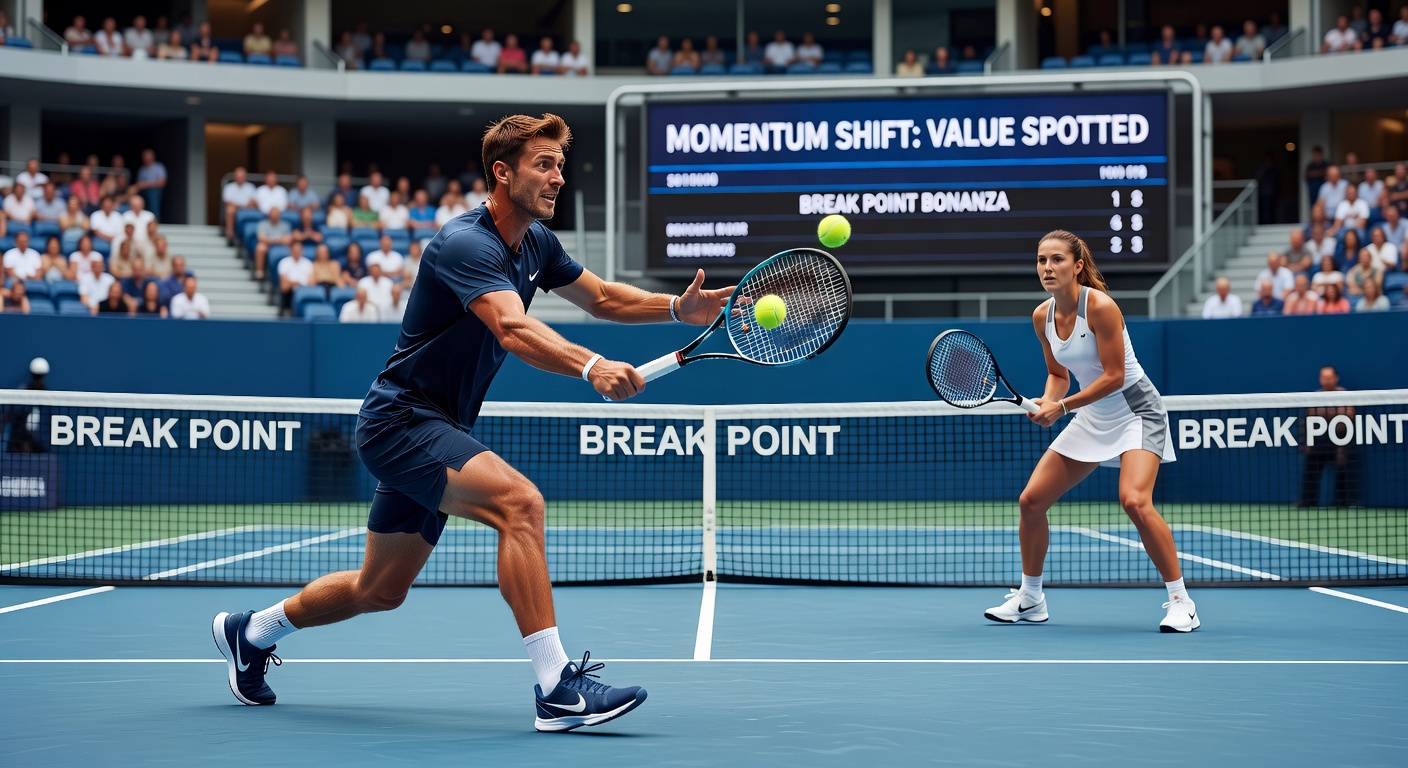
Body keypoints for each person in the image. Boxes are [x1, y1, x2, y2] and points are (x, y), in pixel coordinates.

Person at [212, 113, 731, 731]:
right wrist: (592, 366)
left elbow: (601, 297)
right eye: (544, 164)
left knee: (380, 590)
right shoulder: (465, 243)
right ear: (502, 172)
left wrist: (675, 307)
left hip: (436, 426)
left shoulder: (537, 244)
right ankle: (557, 688)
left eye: (560, 165)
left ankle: (251, 632)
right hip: (401, 420)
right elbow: (511, 327)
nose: (558, 177)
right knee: (521, 504)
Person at [984, 230, 1193, 632]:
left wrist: (1062, 407)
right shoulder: (1041, 316)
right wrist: (1049, 402)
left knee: (1135, 501)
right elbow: (1058, 375)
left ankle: (1182, 602)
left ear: (1077, 265)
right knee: (1031, 501)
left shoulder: (1100, 306)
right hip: (1092, 415)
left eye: (1057, 259)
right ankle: (1031, 598)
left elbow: (1114, 376)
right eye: (1042, 260)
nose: (1047, 268)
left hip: (1136, 411)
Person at [1297, 367, 1354, 507]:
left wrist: (1323, 414)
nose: (1327, 380)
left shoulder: (1344, 395)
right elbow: (1310, 417)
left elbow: (1347, 417)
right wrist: (1334, 414)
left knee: (1344, 469)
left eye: (1329, 377)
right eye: (1324, 377)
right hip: (1319, 442)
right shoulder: (1316, 396)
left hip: (1340, 443)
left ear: (1336, 378)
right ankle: (1308, 501)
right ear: (1320, 379)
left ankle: (1342, 501)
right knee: (1310, 468)